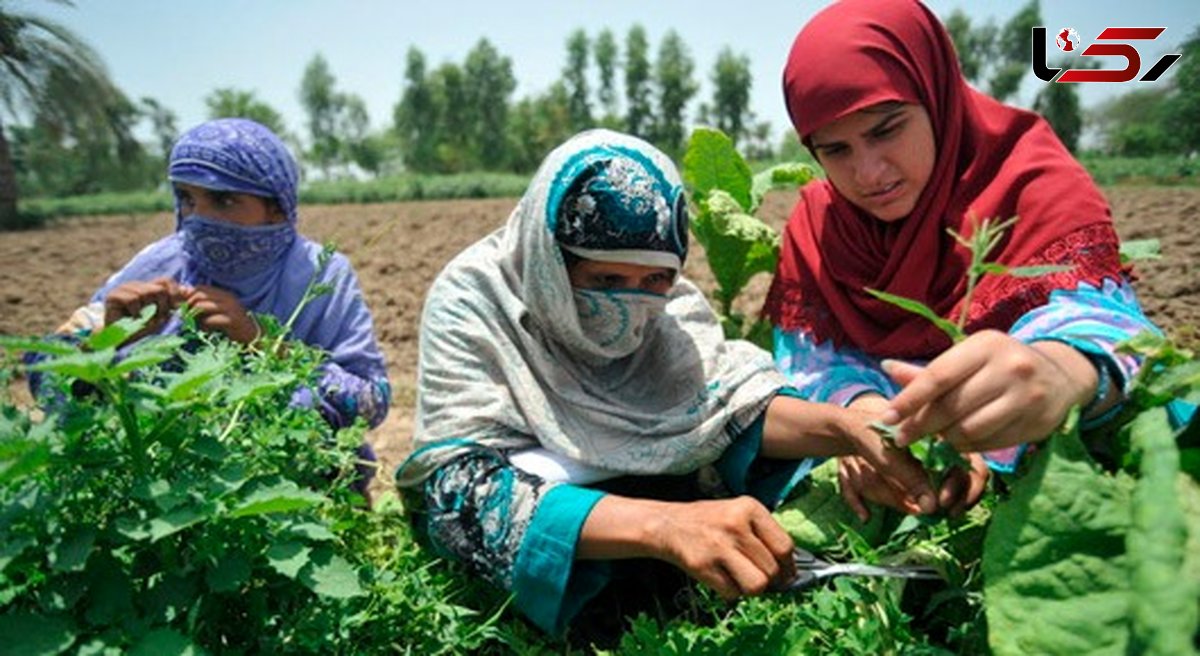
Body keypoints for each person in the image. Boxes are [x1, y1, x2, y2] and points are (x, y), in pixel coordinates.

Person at [397, 129, 934, 637]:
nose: (631, 304)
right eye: (606, 280)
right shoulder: (480, 302)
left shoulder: (671, 310)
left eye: (653, 281)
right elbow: (458, 494)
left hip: (647, 503)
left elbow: (730, 409)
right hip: (564, 515)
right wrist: (666, 528)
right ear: (550, 261)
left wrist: (848, 427)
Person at [764, 0, 1162, 520]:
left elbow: (1105, 326)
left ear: (937, 96)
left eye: (886, 130)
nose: (868, 172)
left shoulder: (1031, 183)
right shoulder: (818, 227)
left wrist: (1061, 371)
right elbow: (813, 364)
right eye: (836, 150)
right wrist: (861, 419)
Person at [30, 118, 390, 432]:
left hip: (294, 481)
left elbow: (372, 401)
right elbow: (47, 380)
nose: (198, 219)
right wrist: (109, 342)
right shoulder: (159, 264)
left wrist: (261, 342)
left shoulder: (320, 277)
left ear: (277, 209)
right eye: (187, 199)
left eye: (224, 200)